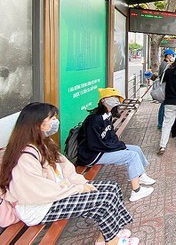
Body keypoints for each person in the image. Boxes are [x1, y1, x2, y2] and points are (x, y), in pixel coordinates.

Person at [0, 102, 139, 245]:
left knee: (112, 188)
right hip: (39, 207)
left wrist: (82, 183)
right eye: (52, 118)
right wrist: (77, 189)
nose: (56, 122)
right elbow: (38, 191)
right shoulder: (25, 156)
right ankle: (113, 241)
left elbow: (66, 169)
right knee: (104, 200)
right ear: (38, 124)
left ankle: (109, 234)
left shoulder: (44, 143)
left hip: (58, 192)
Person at [78, 87, 156, 202]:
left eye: (116, 98)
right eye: (111, 98)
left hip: (105, 148)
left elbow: (111, 135)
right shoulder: (94, 119)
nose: (114, 100)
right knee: (131, 156)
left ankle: (141, 175)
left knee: (136, 149)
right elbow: (95, 144)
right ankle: (136, 191)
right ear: (103, 100)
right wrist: (117, 147)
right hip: (94, 154)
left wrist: (119, 145)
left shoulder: (107, 114)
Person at [157, 49, 176, 130]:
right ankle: (160, 124)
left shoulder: (163, 63)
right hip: (165, 87)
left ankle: (160, 123)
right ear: (168, 56)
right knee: (163, 106)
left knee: (163, 105)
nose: (173, 57)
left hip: (164, 86)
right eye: (172, 55)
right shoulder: (166, 64)